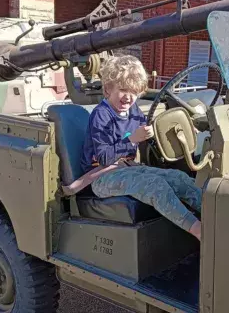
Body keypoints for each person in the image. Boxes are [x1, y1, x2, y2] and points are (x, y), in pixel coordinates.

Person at [78, 55, 203, 240]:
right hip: (101, 176)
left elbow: (150, 134)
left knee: (178, 178)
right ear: (107, 90)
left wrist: (186, 129)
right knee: (155, 186)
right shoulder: (101, 115)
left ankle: (215, 216)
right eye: (122, 90)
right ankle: (199, 230)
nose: (128, 97)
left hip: (128, 168)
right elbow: (104, 158)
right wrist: (132, 140)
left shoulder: (133, 110)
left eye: (134, 91)